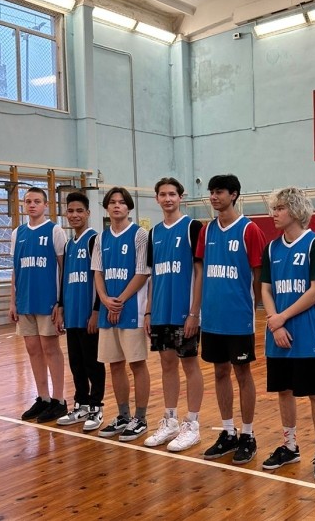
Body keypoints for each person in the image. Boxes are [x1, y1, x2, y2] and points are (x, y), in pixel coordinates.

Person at [260, 187, 315, 481]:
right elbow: (266, 289)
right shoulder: (271, 248)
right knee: (283, 391)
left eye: (280, 208)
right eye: (274, 208)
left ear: (296, 210)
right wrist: (275, 323)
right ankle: (289, 447)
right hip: (277, 332)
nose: (274, 213)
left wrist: (282, 318)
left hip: (308, 335)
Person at [195, 174, 267, 464]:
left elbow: (259, 274)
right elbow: (201, 272)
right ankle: (228, 432)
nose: (214, 197)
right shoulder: (207, 230)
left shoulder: (249, 230)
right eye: (212, 192)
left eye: (220, 192)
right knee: (220, 373)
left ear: (234, 194)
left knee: (242, 374)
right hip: (212, 318)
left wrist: (253, 308)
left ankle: (248, 435)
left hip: (239, 318)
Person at [143, 177, 205, 452]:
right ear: (156, 198)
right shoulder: (154, 233)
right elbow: (152, 276)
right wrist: (148, 310)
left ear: (181, 197)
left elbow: (200, 273)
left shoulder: (193, 227)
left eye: (172, 194)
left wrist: (194, 312)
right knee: (167, 364)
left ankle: (192, 424)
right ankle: (170, 421)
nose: (167, 199)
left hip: (184, 312)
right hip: (160, 311)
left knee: (189, 365)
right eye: (163, 194)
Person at [91, 187, 151, 442]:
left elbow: (143, 272)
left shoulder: (140, 235)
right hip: (109, 310)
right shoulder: (101, 238)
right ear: (106, 207)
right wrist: (105, 300)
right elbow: (98, 272)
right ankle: (123, 415)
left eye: (121, 202)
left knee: (137, 364)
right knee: (115, 364)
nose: (117, 206)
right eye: (112, 202)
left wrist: (120, 301)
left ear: (128, 207)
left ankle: (141, 418)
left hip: (132, 310)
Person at [9, 187, 68, 423]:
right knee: (33, 349)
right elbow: (15, 270)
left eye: (36, 201)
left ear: (45, 205)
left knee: (50, 348)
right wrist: (13, 301)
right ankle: (43, 397)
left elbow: (63, 269)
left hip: (48, 301)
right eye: (28, 201)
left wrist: (60, 302)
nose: (32, 205)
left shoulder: (55, 230)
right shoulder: (18, 233)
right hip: (25, 301)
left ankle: (59, 400)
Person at [54, 191, 106, 432]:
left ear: (88, 213)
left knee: (92, 363)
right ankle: (81, 404)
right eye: (70, 211)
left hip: (88, 314)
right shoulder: (68, 244)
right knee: (76, 363)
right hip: (72, 313)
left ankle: (96, 407)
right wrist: (61, 306)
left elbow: (99, 278)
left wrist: (96, 311)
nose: (74, 215)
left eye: (79, 211)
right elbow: (64, 278)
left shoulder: (94, 240)